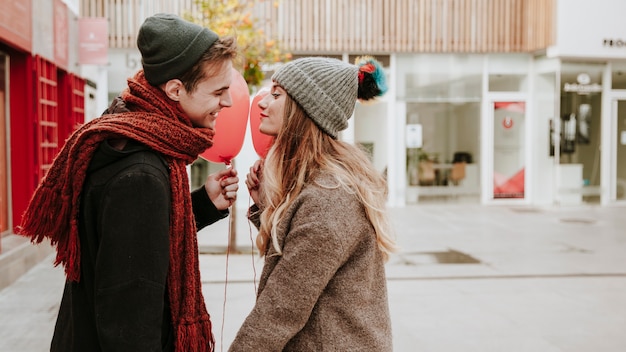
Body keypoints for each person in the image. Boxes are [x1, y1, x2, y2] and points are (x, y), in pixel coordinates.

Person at [18, 13, 239, 352]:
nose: (227, 102)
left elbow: (140, 241)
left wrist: (203, 204)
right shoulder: (140, 173)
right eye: (218, 92)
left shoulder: (129, 132)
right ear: (176, 89)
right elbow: (129, 315)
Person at [230, 57, 397, 351]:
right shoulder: (318, 182)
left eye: (277, 94)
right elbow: (300, 258)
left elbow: (280, 308)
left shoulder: (329, 198)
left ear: (304, 109)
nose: (262, 103)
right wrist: (265, 210)